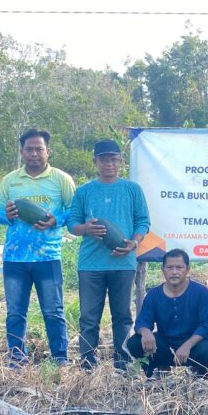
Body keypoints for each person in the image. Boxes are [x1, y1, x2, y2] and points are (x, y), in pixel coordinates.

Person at [0, 129, 75, 365]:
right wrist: (6, 215)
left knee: (53, 311)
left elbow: (74, 211)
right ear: (22, 152)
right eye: (29, 149)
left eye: (39, 149)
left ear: (47, 151)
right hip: (14, 257)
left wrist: (56, 220)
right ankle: (16, 358)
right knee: (15, 312)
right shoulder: (10, 180)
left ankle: (60, 358)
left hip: (48, 256)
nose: (34, 153)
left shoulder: (61, 179)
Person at [67, 139, 150, 370]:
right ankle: (87, 365)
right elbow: (72, 223)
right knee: (88, 319)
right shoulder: (84, 191)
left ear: (121, 161)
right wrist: (85, 229)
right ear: (95, 162)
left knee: (123, 317)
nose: (109, 164)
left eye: (114, 159)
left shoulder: (132, 190)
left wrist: (133, 243)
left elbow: (143, 222)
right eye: (104, 159)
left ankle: (122, 365)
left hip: (123, 263)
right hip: (90, 265)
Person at [127, 249, 208, 378]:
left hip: (193, 345)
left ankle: (197, 371)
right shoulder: (154, 294)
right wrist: (146, 332)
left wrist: (187, 345)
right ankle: (159, 369)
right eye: (169, 267)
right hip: (165, 345)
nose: (174, 272)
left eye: (179, 267)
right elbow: (143, 321)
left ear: (188, 270)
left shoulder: (201, 292)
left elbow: (206, 326)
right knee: (135, 342)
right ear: (163, 270)